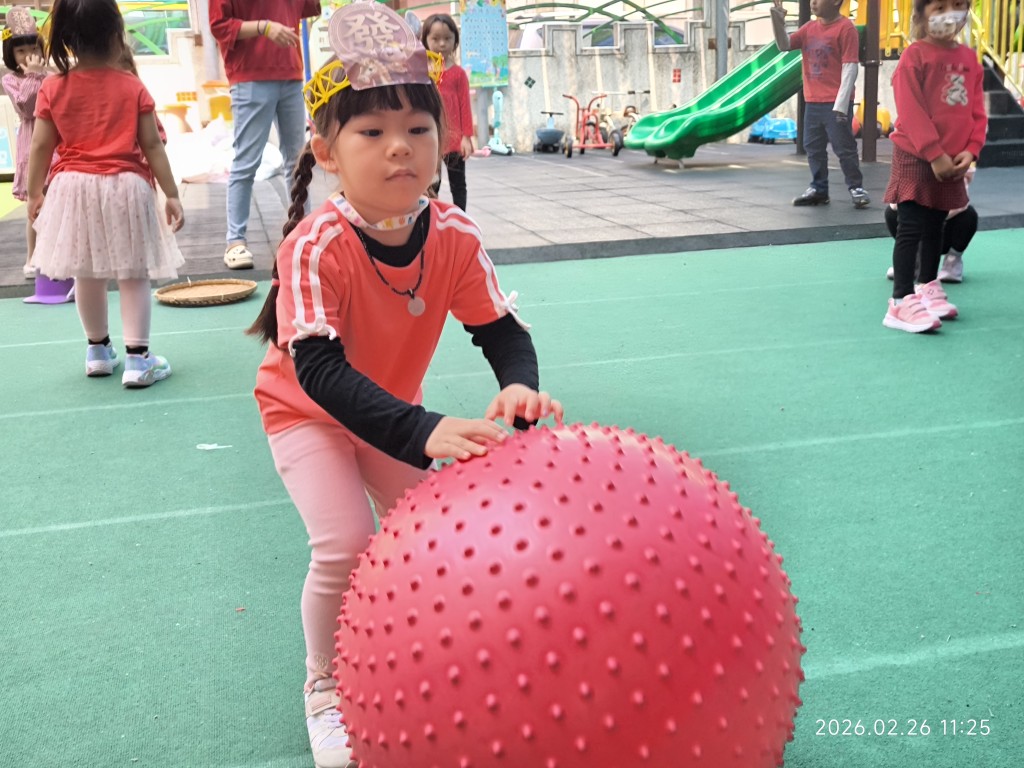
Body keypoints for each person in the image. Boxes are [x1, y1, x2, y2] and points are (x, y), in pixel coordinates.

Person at [248, 4, 563, 766]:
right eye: (371, 132)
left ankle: (419, 650)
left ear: (443, 138)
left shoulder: (453, 234)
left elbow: (500, 330)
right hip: (306, 413)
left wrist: (518, 387)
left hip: (388, 412)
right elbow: (319, 372)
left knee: (431, 537)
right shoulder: (314, 244)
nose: (400, 148)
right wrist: (423, 430)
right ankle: (325, 685)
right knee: (345, 543)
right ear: (326, 151)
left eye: (418, 129)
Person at [27, 0, 185, 385]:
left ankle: (98, 351)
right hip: (126, 187)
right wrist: (171, 193)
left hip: (73, 189)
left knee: (86, 272)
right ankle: (138, 359)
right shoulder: (132, 86)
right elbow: (152, 144)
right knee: (133, 274)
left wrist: (34, 194)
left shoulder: (53, 87)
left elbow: (41, 146)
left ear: (67, 39)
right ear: (117, 33)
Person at [881, 0, 985, 333]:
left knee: (936, 225)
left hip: (952, 159)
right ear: (921, 14)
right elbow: (910, 109)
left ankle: (927, 285)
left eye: (957, 5)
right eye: (939, 6)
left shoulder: (968, 59)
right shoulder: (915, 56)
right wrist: (934, 153)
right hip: (916, 155)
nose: (949, 13)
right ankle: (900, 301)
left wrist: (971, 149)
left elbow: (977, 111)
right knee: (911, 226)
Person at [209, 0, 322, 271]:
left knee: (298, 160)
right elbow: (219, 25)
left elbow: (309, 7)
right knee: (247, 161)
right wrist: (264, 27)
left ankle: (302, 232)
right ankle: (235, 241)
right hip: (250, 75)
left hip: (291, 73)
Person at [771, 0, 871, 208]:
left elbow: (850, 67)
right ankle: (819, 189)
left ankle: (856, 187)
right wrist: (777, 17)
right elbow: (784, 45)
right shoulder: (809, 28)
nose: (813, 2)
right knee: (813, 147)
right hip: (813, 101)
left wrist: (841, 105)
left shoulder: (846, 28)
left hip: (835, 101)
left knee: (843, 147)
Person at [2, 7, 53, 279]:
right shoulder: (10, 80)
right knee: (34, 206)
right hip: (31, 146)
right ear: (10, 53)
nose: (27, 55)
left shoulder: (51, 75)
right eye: (20, 50)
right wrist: (34, 76)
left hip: (55, 145)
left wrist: (42, 74)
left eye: (33, 48)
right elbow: (26, 106)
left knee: (57, 202)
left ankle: (57, 255)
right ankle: (32, 256)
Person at [884, 166, 976, 283]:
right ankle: (911, 262)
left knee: (968, 215)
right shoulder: (910, 168)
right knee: (891, 213)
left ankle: (952, 262)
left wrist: (930, 214)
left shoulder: (954, 171)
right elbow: (895, 204)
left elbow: (959, 205)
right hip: (915, 232)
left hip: (942, 233)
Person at [421, 13, 474, 211]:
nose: (442, 44)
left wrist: (466, 137)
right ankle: (431, 218)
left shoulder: (458, 74)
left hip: (454, 142)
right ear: (425, 40)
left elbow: (464, 105)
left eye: (447, 38)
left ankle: (461, 219)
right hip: (430, 140)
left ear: (455, 41)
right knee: (430, 184)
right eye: (435, 39)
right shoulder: (421, 73)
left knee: (458, 185)